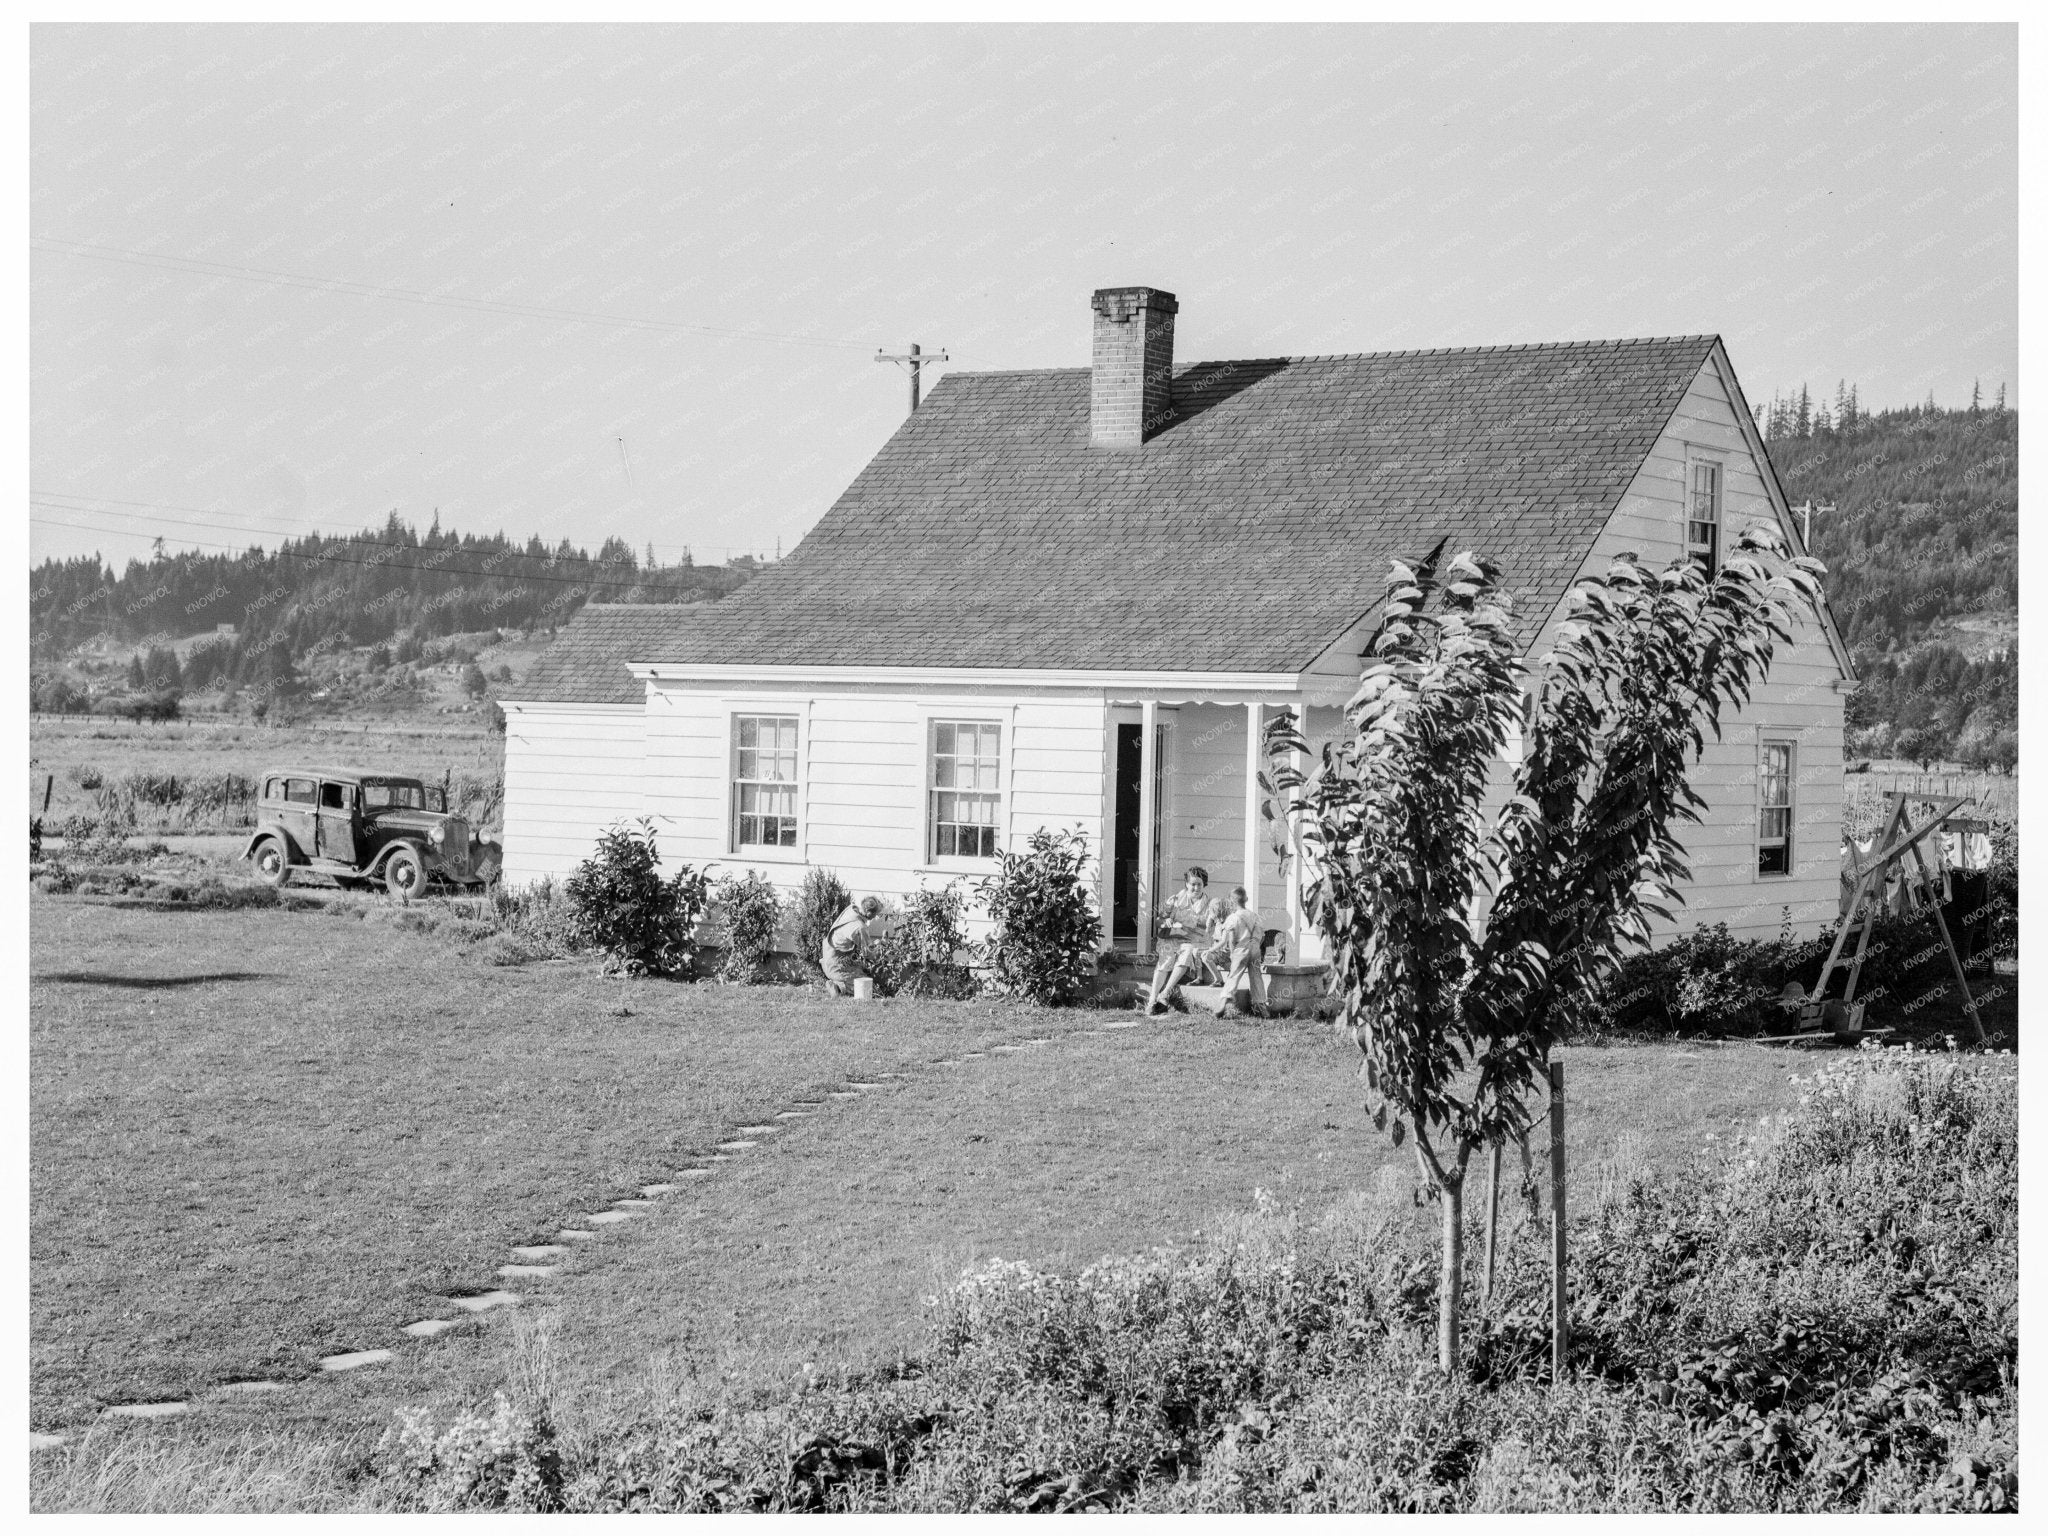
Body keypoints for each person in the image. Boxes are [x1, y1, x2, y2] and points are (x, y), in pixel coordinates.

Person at [1145, 866, 1217, 1016]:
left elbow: (1212, 927)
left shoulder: (1209, 904)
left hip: (1196, 940)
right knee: (1165, 958)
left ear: (1204, 885)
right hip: (1173, 937)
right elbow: (1159, 921)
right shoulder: (1175, 900)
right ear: (1186, 884)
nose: (1196, 888)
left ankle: (1164, 995)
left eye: (1199, 884)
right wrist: (1167, 922)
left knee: (1187, 952)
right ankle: (1152, 1001)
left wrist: (1197, 925)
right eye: (1193, 884)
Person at [1204, 886, 1267, 1018]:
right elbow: (1262, 935)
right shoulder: (1255, 916)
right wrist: (1256, 946)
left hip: (1240, 949)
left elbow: (1231, 939)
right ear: (1247, 899)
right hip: (1255, 949)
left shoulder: (1232, 918)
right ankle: (1261, 1006)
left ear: (1231, 902)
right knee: (1256, 977)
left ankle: (1224, 1000)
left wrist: (1232, 954)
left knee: (1234, 976)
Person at [823, 895, 883, 996]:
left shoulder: (851, 909)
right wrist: (880, 947)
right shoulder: (859, 928)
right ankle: (838, 986)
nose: (876, 917)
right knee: (870, 989)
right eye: (876, 914)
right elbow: (868, 954)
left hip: (829, 955)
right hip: (837, 965)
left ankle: (838, 980)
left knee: (864, 971)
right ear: (868, 913)